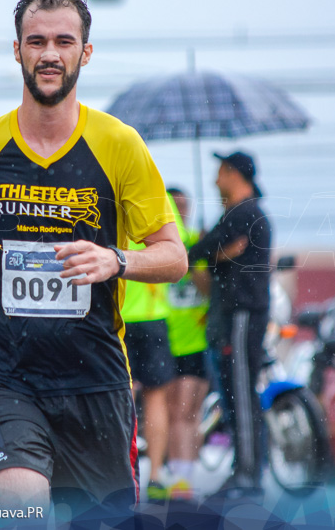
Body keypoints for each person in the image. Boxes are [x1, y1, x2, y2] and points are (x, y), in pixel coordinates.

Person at [0, 0, 187, 517]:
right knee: (21, 507)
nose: (49, 54)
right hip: (7, 374)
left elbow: (173, 256)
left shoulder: (120, 145)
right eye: (36, 42)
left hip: (96, 378)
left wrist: (117, 261)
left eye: (63, 41)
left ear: (85, 52)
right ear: (18, 51)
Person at [187, 151, 272, 497]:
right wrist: (213, 253)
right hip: (228, 315)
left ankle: (248, 474)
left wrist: (210, 250)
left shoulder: (246, 214)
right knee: (234, 395)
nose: (214, 177)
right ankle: (243, 469)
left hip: (242, 316)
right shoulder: (236, 215)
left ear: (234, 173)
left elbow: (199, 250)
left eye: (221, 170)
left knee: (240, 392)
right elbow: (205, 252)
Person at [121, 193, 182, 501]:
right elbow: (176, 251)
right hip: (151, 315)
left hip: (114, 312)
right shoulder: (158, 197)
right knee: (156, 396)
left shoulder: (102, 188)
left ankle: (122, 470)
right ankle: (155, 475)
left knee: (120, 393)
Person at [163, 188, 211, 499]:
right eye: (174, 208)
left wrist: (192, 258)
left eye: (185, 207)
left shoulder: (197, 241)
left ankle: (184, 477)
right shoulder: (159, 244)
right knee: (172, 412)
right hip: (167, 337)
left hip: (196, 339)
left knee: (188, 413)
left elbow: (208, 288)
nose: (181, 214)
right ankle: (178, 473)